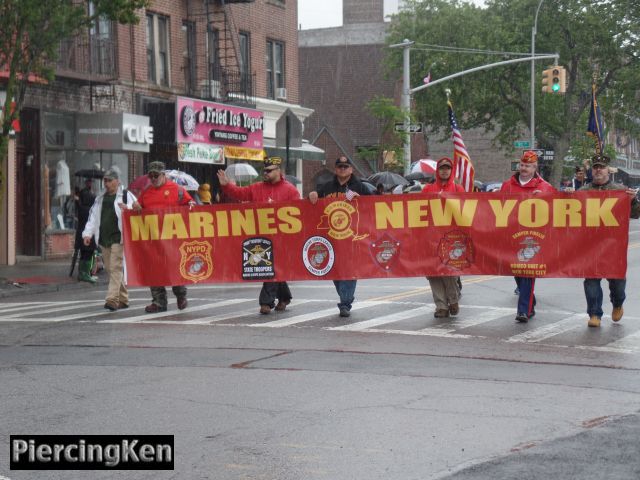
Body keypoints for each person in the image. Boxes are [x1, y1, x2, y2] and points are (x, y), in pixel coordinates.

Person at [217, 156, 300, 314]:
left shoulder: (290, 191)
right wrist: (226, 185)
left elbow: (300, 212)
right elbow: (240, 193)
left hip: (282, 238)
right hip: (262, 237)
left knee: (270, 268)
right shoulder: (257, 188)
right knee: (273, 268)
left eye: (269, 171)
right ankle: (284, 297)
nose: (266, 173)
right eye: (264, 170)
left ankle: (266, 303)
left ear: (278, 171)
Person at [578, 154, 640, 327]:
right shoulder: (582, 192)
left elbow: (636, 214)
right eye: (595, 167)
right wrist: (567, 196)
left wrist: (633, 200)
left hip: (613, 245)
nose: (598, 170)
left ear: (608, 170)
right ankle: (594, 314)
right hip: (589, 245)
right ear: (592, 170)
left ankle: (618, 303)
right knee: (591, 280)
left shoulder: (620, 190)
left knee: (617, 283)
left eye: (601, 167)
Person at [308, 156, 373, 317]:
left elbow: (375, 207)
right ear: (335, 169)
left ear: (351, 169)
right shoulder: (326, 187)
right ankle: (345, 297)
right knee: (336, 270)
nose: (342, 169)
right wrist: (312, 196)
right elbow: (309, 209)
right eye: (339, 167)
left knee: (349, 270)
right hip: (332, 238)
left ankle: (345, 303)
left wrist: (363, 200)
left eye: (345, 166)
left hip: (352, 238)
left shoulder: (361, 187)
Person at [500, 150, 556, 322]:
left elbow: (556, 209)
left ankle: (523, 310)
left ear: (535, 167)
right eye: (522, 165)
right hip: (511, 235)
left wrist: (545, 199)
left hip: (533, 236)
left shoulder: (545, 187)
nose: (524, 168)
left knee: (527, 272)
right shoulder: (507, 186)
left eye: (528, 166)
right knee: (517, 271)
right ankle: (530, 301)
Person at [132, 161, 195, 313]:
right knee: (154, 270)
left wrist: (191, 204)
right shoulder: (146, 192)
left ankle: (181, 295)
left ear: (163, 175)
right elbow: (138, 209)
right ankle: (159, 302)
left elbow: (190, 203)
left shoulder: (177, 190)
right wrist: (135, 207)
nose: (153, 178)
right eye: (151, 175)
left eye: (156, 175)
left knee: (173, 269)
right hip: (153, 240)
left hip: (172, 239)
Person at [82, 167, 137, 311]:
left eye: (109, 181)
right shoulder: (100, 198)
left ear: (117, 181)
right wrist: (87, 234)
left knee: (116, 267)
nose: (106, 184)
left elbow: (138, 209)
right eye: (105, 181)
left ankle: (112, 299)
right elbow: (93, 217)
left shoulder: (126, 195)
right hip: (103, 238)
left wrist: (128, 208)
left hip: (118, 238)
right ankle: (124, 298)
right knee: (110, 269)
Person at [422, 157, 465, 318]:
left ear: (451, 170)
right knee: (433, 272)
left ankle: (453, 299)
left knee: (449, 271)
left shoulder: (458, 189)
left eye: (447, 168)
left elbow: (464, 210)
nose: (444, 171)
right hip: (431, 236)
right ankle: (441, 306)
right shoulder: (427, 189)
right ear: (437, 171)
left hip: (451, 237)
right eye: (442, 168)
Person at [75, 179, 97, 283]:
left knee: (83, 254)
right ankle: (85, 274)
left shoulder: (81, 207)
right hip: (88, 235)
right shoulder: (90, 209)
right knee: (88, 253)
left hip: (81, 233)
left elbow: (78, 203)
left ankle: (82, 273)